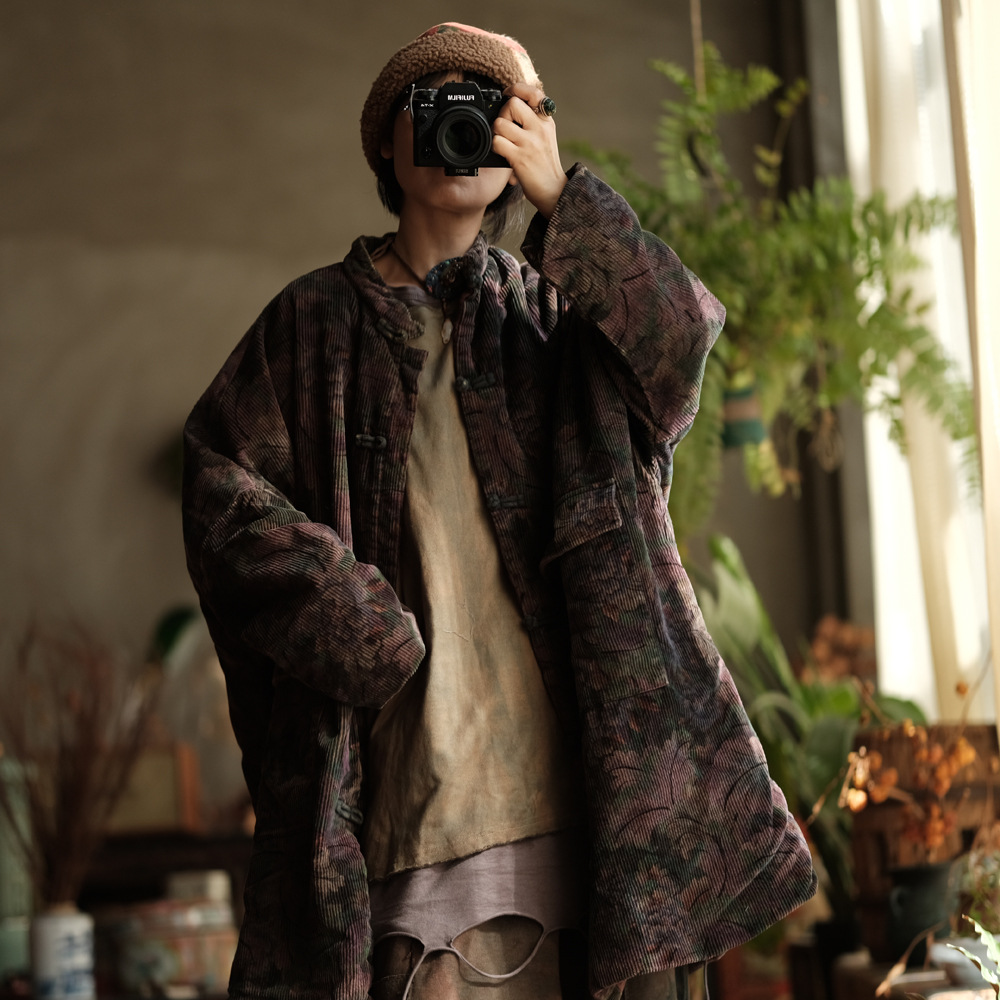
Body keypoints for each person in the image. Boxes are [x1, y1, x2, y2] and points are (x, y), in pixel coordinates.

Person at [182, 22, 817, 1000]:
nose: (460, 128)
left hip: (591, 830)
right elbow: (218, 490)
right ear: (387, 143)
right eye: (434, 106)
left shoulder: (556, 320)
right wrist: (354, 623)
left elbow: (678, 347)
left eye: (489, 108)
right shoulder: (310, 329)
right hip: (411, 821)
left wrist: (568, 199)